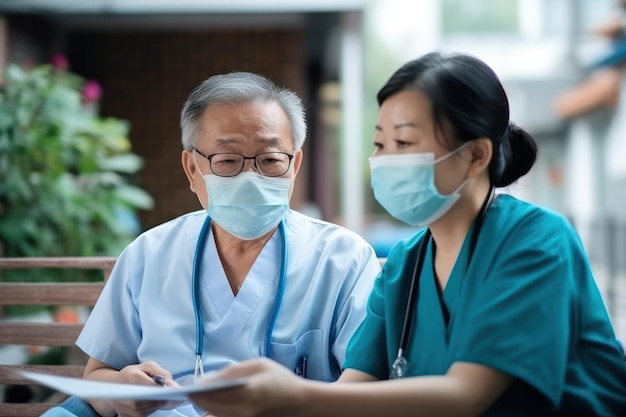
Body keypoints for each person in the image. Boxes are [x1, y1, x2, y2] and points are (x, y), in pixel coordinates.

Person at [188, 52, 626, 417]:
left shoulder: (536, 241)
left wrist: (296, 395)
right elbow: (352, 389)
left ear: (475, 155)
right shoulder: (405, 266)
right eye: (379, 145)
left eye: (403, 144)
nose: (384, 160)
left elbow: (466, 396)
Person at [41, 71, 380, 417]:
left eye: (271, 160)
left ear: (295, 165)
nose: (251, 178)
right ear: (191, 169)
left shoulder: (343, 259)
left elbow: (368, 385)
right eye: (228, 161)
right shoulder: (149, 254)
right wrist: (123, 389)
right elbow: (98, 376)